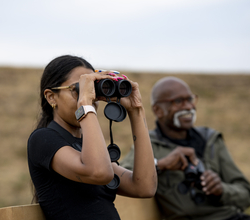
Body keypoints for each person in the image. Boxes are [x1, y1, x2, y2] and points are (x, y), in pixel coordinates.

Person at [27, 55, 157, 220]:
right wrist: (86, 105)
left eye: (92, 91)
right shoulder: (43, 139)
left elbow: (144, 186)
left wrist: (136, 110)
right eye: (78, 89)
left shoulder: (85, 147)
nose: (90, 98)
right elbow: (99, 172)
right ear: (51, 97)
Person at [120, 76, 250, 220]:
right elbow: (123, 177)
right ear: (158, 110)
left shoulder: (211, 139)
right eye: (178, 101)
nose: (188, 106)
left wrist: (221, 190)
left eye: (190, 99)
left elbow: (245, 194)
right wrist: (161, 164)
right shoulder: (149, 143)